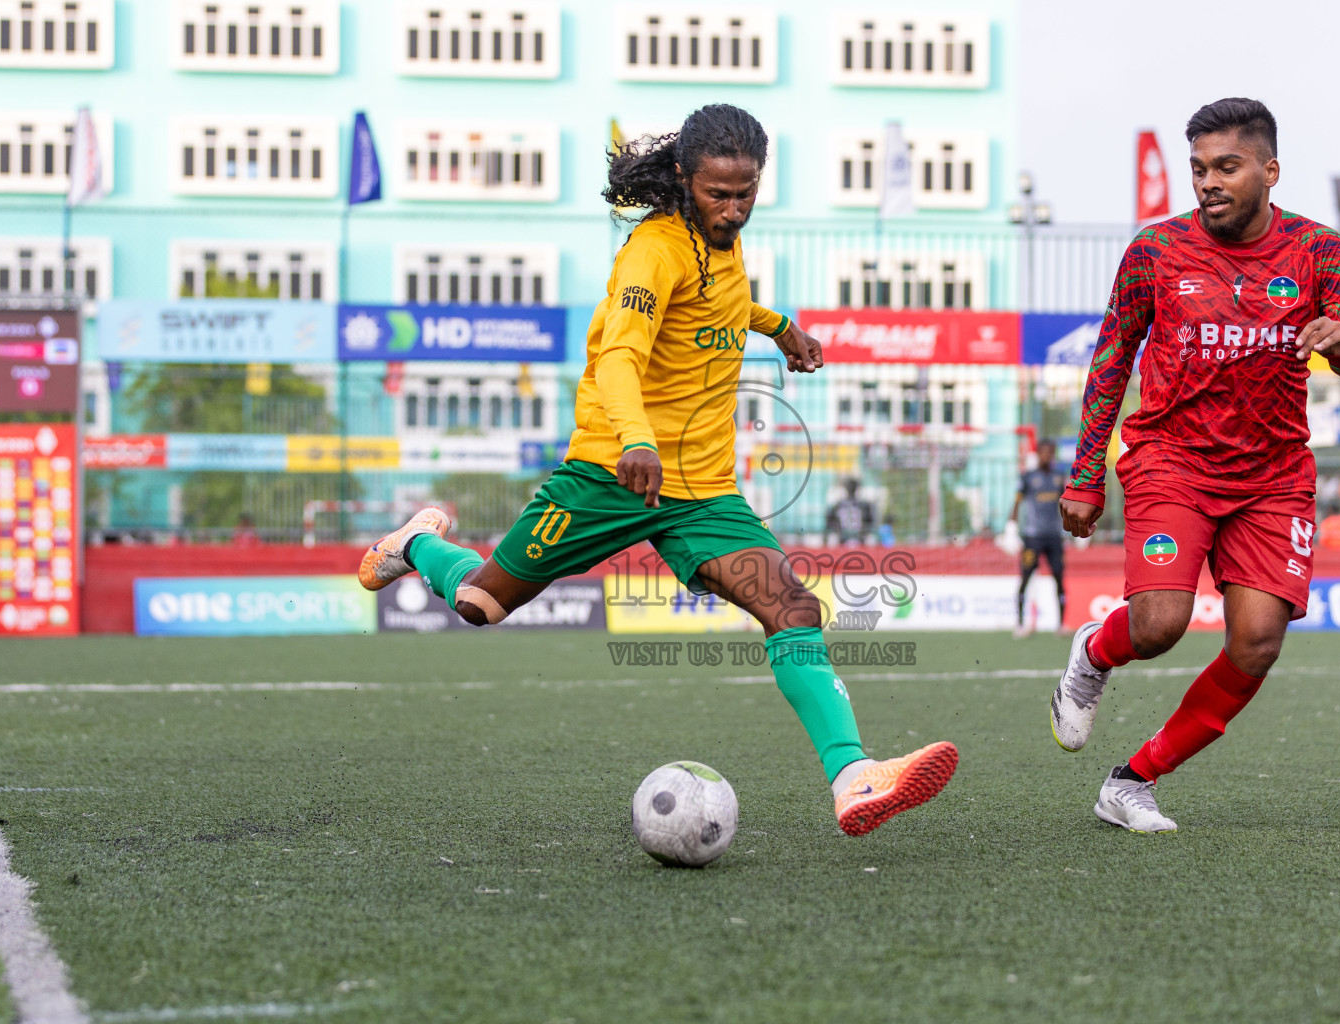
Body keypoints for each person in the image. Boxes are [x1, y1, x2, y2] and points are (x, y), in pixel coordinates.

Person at [357, 104, 957, 837]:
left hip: (702, 490)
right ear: (683, 178)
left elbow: (722, 304)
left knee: (791, 606)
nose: (733, 210)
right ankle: (418, 541)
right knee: (481, 605)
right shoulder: (651, 252)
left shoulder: (723, 245)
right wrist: (635, 439)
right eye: (717, 194)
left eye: (746, 192)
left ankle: (853, 776)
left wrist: (782, 329)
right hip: (611, 475)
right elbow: (619, 357)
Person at [1049, 98, 1340, 832]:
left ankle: (1132, 781)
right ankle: (1096, 651)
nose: (1208, 182)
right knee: (1161, 624)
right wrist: (1084, 474)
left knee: (1257, 641)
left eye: (1227, 168)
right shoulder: (1155, 251)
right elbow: (1112, 358)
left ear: (1269, 172)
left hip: (1273, 478)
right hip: (1172, 461)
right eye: (1200, 169)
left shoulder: (1319, 252)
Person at [1009, 439, 1068, 636]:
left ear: (1053, 454)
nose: (1046, 456)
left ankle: (1060, 624)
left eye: (1049, 453)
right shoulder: (1028, 477)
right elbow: (1017, 501)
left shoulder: (1059, 478)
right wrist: (1011, 525)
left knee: (1059, 576)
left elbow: (1067, 502)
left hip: (1054, 537)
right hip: (1032, 538)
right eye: (1043, 452)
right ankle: (1019, 623)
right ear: (1038, 454)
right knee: (1025, 577)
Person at [825, 478, 875, 546]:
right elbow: (829, 522)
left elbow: (870, 523)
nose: (851, 488)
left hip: (859, 540)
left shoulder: (864, 505)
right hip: (843, 540)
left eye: (852, 486)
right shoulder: (839, 505)